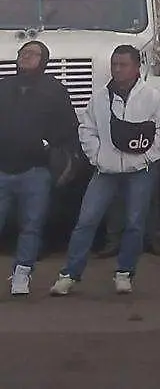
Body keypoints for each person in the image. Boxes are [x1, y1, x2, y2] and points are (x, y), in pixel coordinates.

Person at [50, 46, 160, 296]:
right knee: (86, 221)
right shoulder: (99, 98)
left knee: (134, 222)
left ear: (136, 67)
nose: (117, 69)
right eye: (115, 64)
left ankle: (124, 272)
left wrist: (147, 158)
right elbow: (87, 129)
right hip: (104, 171)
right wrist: (97, 157)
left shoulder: (151, 97)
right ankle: (69, 274)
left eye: (123, 64)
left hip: (140, 170)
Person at [0, 40, 77, 295]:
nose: (26, 57)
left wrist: (49, 149)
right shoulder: (4, 86)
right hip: (2, 169)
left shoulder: (55, 91)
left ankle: (22, 274)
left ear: (43, 61)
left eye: (33, 54)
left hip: (36, 171)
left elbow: (69, 130)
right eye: (23, 53)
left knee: (31, 225)